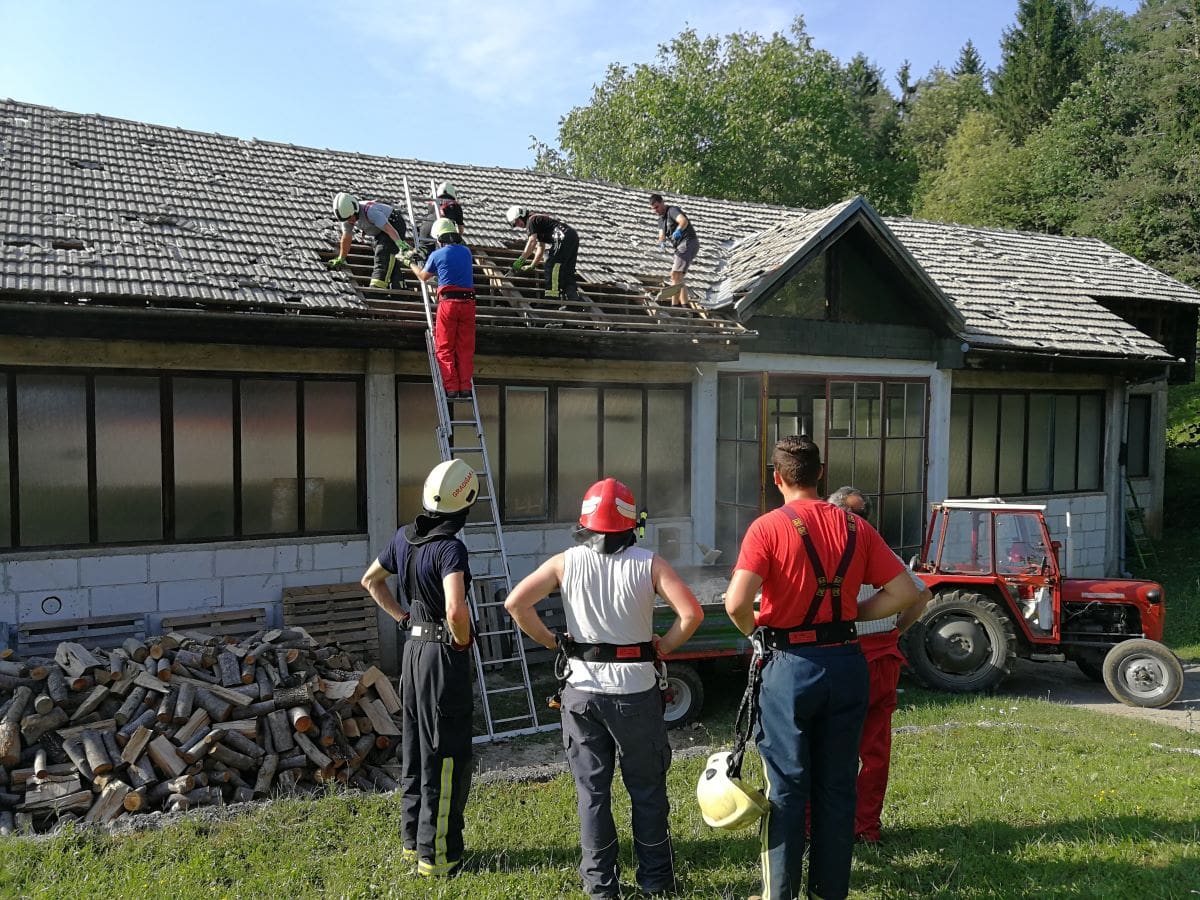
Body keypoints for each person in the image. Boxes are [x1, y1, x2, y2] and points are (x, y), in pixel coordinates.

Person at [723, 436, 922, 900]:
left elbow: (735, 603)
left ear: (776, 478)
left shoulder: (768, 527)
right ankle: (828, 893)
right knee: (838, 786)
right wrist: (851, 614)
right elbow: (905, 593)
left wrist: (755, 631)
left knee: (787, 787)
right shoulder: (855, 526)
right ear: (821, 473)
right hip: (847, 662)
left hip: (789, 665)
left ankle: (780, 894)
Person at [505, 478, 703, 900]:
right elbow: (691, 614)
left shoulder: (565, 562)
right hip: (636, 692)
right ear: (633, 523)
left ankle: (600, 885)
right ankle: (655, 881)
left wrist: (551, 642)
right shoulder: (650, 563)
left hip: (581, 692)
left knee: (592, 793)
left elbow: (516, 603)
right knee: (647, 790)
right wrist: (663, 647)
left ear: (585, 522)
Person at [360, 459, 478, 879]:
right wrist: (461, 640)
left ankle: (413, 842)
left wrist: (402, 618)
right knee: (446, 753)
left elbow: (370, 580)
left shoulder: (403, 538)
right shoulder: (450, 549)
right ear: (466, 502)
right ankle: (438, 856)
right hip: (441, 656)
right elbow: (455, 609)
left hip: (413, 651)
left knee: (415, 749)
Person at [826, 486, 931, 845]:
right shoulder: (878, 547)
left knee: (827, 745)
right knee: (874, 749)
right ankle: (865, 826)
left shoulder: (827, 550)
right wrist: (896, 630)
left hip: (841, 655)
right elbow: (922, 594)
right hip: (882, 658)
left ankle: (817, 824)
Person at [411, 217, 476, 400]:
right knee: (465, 348)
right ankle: (465, 387)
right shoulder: (467, 252)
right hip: (468, 304)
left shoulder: (436, 255)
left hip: (448, 304)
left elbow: (423, 277)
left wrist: (411, 263)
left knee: (445, 347)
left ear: (439, 238)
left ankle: (452, 388)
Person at [328, 192, 411, 290]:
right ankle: (399, 286)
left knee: (383, 251)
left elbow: (388, 229)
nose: (350, 221)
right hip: (380, 231)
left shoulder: (370, 211)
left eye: (350, 218)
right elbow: (346, 238)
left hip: (394, 224)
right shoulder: (347, 218)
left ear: (355, 210)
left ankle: (378, 286)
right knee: (389, 258)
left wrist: (399, 243)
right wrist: (341, 257)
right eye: (347, 220)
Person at [505, 205, 582, 307]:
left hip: (562, 237)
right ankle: (575, 302)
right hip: (572, 236)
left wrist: (520, 260)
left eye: (518, 221)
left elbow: (532, 242)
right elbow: (540, 248)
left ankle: (552, 299)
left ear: (522, 215)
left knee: (552, 265)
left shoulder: (531, 221)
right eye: (516, 224)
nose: (519, 225)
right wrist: (532, 265)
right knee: (567, 270)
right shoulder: (539, 222)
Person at [649, 193, 699, 307]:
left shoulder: (672, 210)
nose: (655, 210)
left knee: (675, 274)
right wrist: (661, 242)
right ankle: (684, 306)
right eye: (653, 209)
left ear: (662, 202)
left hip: (688, 242)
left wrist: (679, 230)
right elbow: (661, 235)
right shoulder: (661, 221)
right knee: (678, 277)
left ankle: (676, 306)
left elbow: (683, 221)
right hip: (680, 246)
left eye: (657, 207)